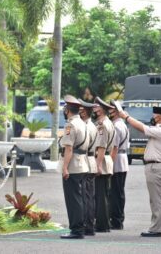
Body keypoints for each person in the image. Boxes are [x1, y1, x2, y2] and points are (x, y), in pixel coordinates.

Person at [118, 104, 161, 237]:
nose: (152, 117)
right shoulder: (160, 128)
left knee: (156, 200)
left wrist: (126, 117)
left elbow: (141, 127)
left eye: (154, 115)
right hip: (156, 167)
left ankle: (157, 229)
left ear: (159, 117)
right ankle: (157, 227)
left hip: (156, 167)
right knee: (157, 199)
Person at [59, 95, 89, 239]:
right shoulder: (83, 123)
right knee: (80, 198)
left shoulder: (70, 125)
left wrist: (65, 168)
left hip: (73, 165)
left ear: (67, 110)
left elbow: (69, 149)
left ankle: (76, 230)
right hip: (82, 163)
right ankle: (80, 227)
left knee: (73, 199)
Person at [93, 96, 115, 233]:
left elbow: (101, 147)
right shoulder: (108, 123)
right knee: (104, 195)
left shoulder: (102, 125)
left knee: (100, 196)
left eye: (96, 107)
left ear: (101, 110)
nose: (94, 109)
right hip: (106, 160)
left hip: (102, 160)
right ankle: (104, 223)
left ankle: (102, 224)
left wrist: (98, 165)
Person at [108, 100, 129, 230]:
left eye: (111, 110)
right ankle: (118, 219)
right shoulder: (122, 124)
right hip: (122, 159)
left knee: (115, 193)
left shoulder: (116, 126)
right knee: (119, 192)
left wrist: (109, 164)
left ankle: (116, 220)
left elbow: (114, 148)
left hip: (117, 160)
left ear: (115, 112)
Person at [78, 98, 97, 236]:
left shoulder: (87, 127)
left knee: (86, 195)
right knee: (89, 195)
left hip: (87, 159)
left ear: (85, 112)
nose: (79, 113)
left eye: (81, 111)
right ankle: (89, 223)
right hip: (90, 159)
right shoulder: (92, 125)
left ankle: (87, 224)